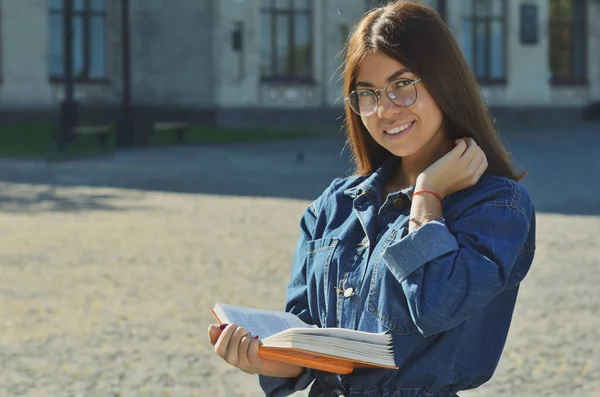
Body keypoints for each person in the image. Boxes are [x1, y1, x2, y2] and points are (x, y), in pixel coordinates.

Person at [208, 1, 536, 396]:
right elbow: (308, 338)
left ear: (443, 81)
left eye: (402, 85)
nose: (384, 110)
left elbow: (433, 305)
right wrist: (262, 357)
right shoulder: (332, 208)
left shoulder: (496, 207)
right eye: (368, 94)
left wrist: (428, 196)